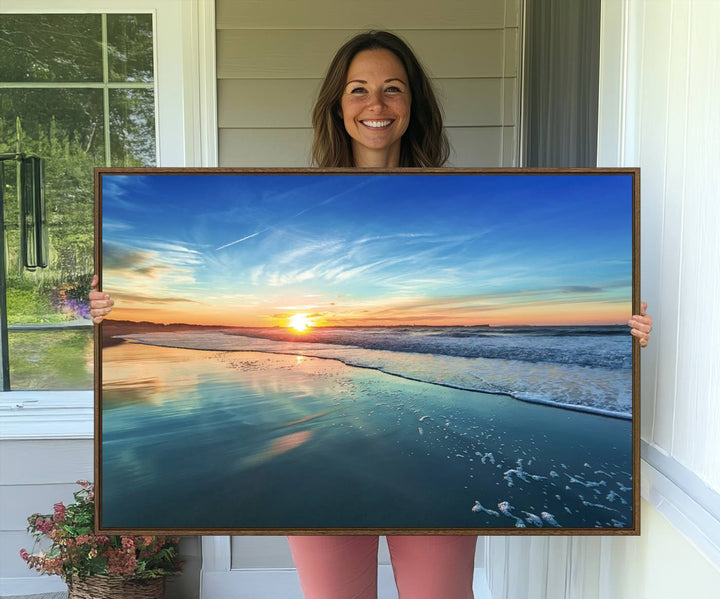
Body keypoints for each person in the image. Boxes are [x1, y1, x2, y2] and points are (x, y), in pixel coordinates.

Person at [90, 30, 653, 599]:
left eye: (393, 89)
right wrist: (112, 307)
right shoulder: (298, 200)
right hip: (320, 474)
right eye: (358, 89)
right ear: (338, 104)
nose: (376, 105)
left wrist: (623, 331)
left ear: (413, 105)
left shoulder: (456, 197)